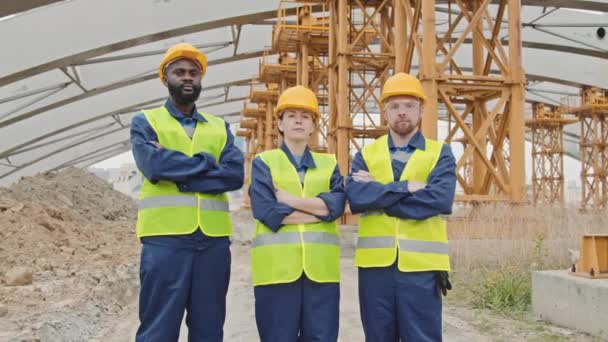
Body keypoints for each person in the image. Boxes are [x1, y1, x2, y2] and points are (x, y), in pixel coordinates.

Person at [130, 43, 244, 342]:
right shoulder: (146, 121)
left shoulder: (220, 127)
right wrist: (209, 163)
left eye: (194, 72)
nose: (188, 77)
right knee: (159, 329)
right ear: (165, 78)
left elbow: (233, 176)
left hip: (213, 243)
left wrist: (180, 175)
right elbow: (153, 166)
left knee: (209, 329)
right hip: (165, 240)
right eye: (179, 72)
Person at [346, 73, 456, 341]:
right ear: (385, 112)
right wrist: (406, 188)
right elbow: (358, 199)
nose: (402, 112)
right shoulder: (366, 155)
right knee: (378, 336)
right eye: (394, 107)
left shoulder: (439, 153)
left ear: (421, 109)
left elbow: (439, 201)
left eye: (408, 105)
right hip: (375, 269)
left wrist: (379, 193)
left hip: (421, 268)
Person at [248, 85, 346, 342]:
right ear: (280, 124)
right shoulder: (264, 162)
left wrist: (290, 201)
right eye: (291, 115)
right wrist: (319, 211)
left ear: (314, 126)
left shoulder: (330, 164)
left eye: (305, 116)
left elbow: (337, 207)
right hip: (276, 272)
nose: (299, 120)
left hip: (321, 274)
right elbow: (267, 211)